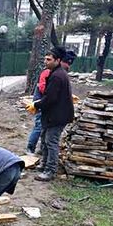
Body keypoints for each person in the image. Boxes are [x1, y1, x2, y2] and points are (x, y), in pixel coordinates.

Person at [26, 46, 73, 182]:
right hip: (52, 114)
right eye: (45, 59)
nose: (45, 61)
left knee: (51, 142)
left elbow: (50, 98)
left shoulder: (58, 76)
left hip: (58, 115)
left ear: (58, 60)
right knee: (45, 139)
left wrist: (35, 104)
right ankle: (44, 164)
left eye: (49, 59)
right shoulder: (55, 72)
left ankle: (50, 170)